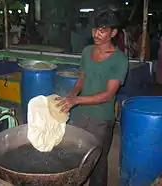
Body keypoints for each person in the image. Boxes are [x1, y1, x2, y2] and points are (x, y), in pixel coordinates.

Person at [56, 6, 128, 186]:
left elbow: (108, 94)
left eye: (102, 31)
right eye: (95, 29)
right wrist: (71, 95)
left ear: (113, 33)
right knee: (77, 152)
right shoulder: (88, 51)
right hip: (81, 113)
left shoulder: (119, 59)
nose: (96, 34)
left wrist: (76, 100)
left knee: (97, 159)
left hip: (101, 118)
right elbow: (82, 79)